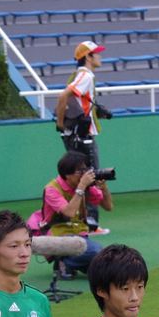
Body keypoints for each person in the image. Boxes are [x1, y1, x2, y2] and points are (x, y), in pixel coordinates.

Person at [56, 41, 111, 234]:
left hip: (77, 134)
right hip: (83, 137)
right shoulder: (86, 75)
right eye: (96, 53)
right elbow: (64, 96)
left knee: (82, 176)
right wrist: (60, 124)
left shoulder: (79, 75)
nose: (100, 57)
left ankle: (84, 222)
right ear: (88, 57)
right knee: (90, 176)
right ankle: (91, 224)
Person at [34, 151, 112, 279]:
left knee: (106, 265)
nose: (83, 174)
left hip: (80, 235)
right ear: (67, 174)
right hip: (58, 236)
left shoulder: (85, 186)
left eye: (85, 169)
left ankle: (71, 264)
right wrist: (81, 186)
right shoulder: (52, 189)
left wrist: (104, 187)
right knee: (96, 251)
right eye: (79, 171)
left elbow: (108, 207)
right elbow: (69, 212)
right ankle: (63, 261)